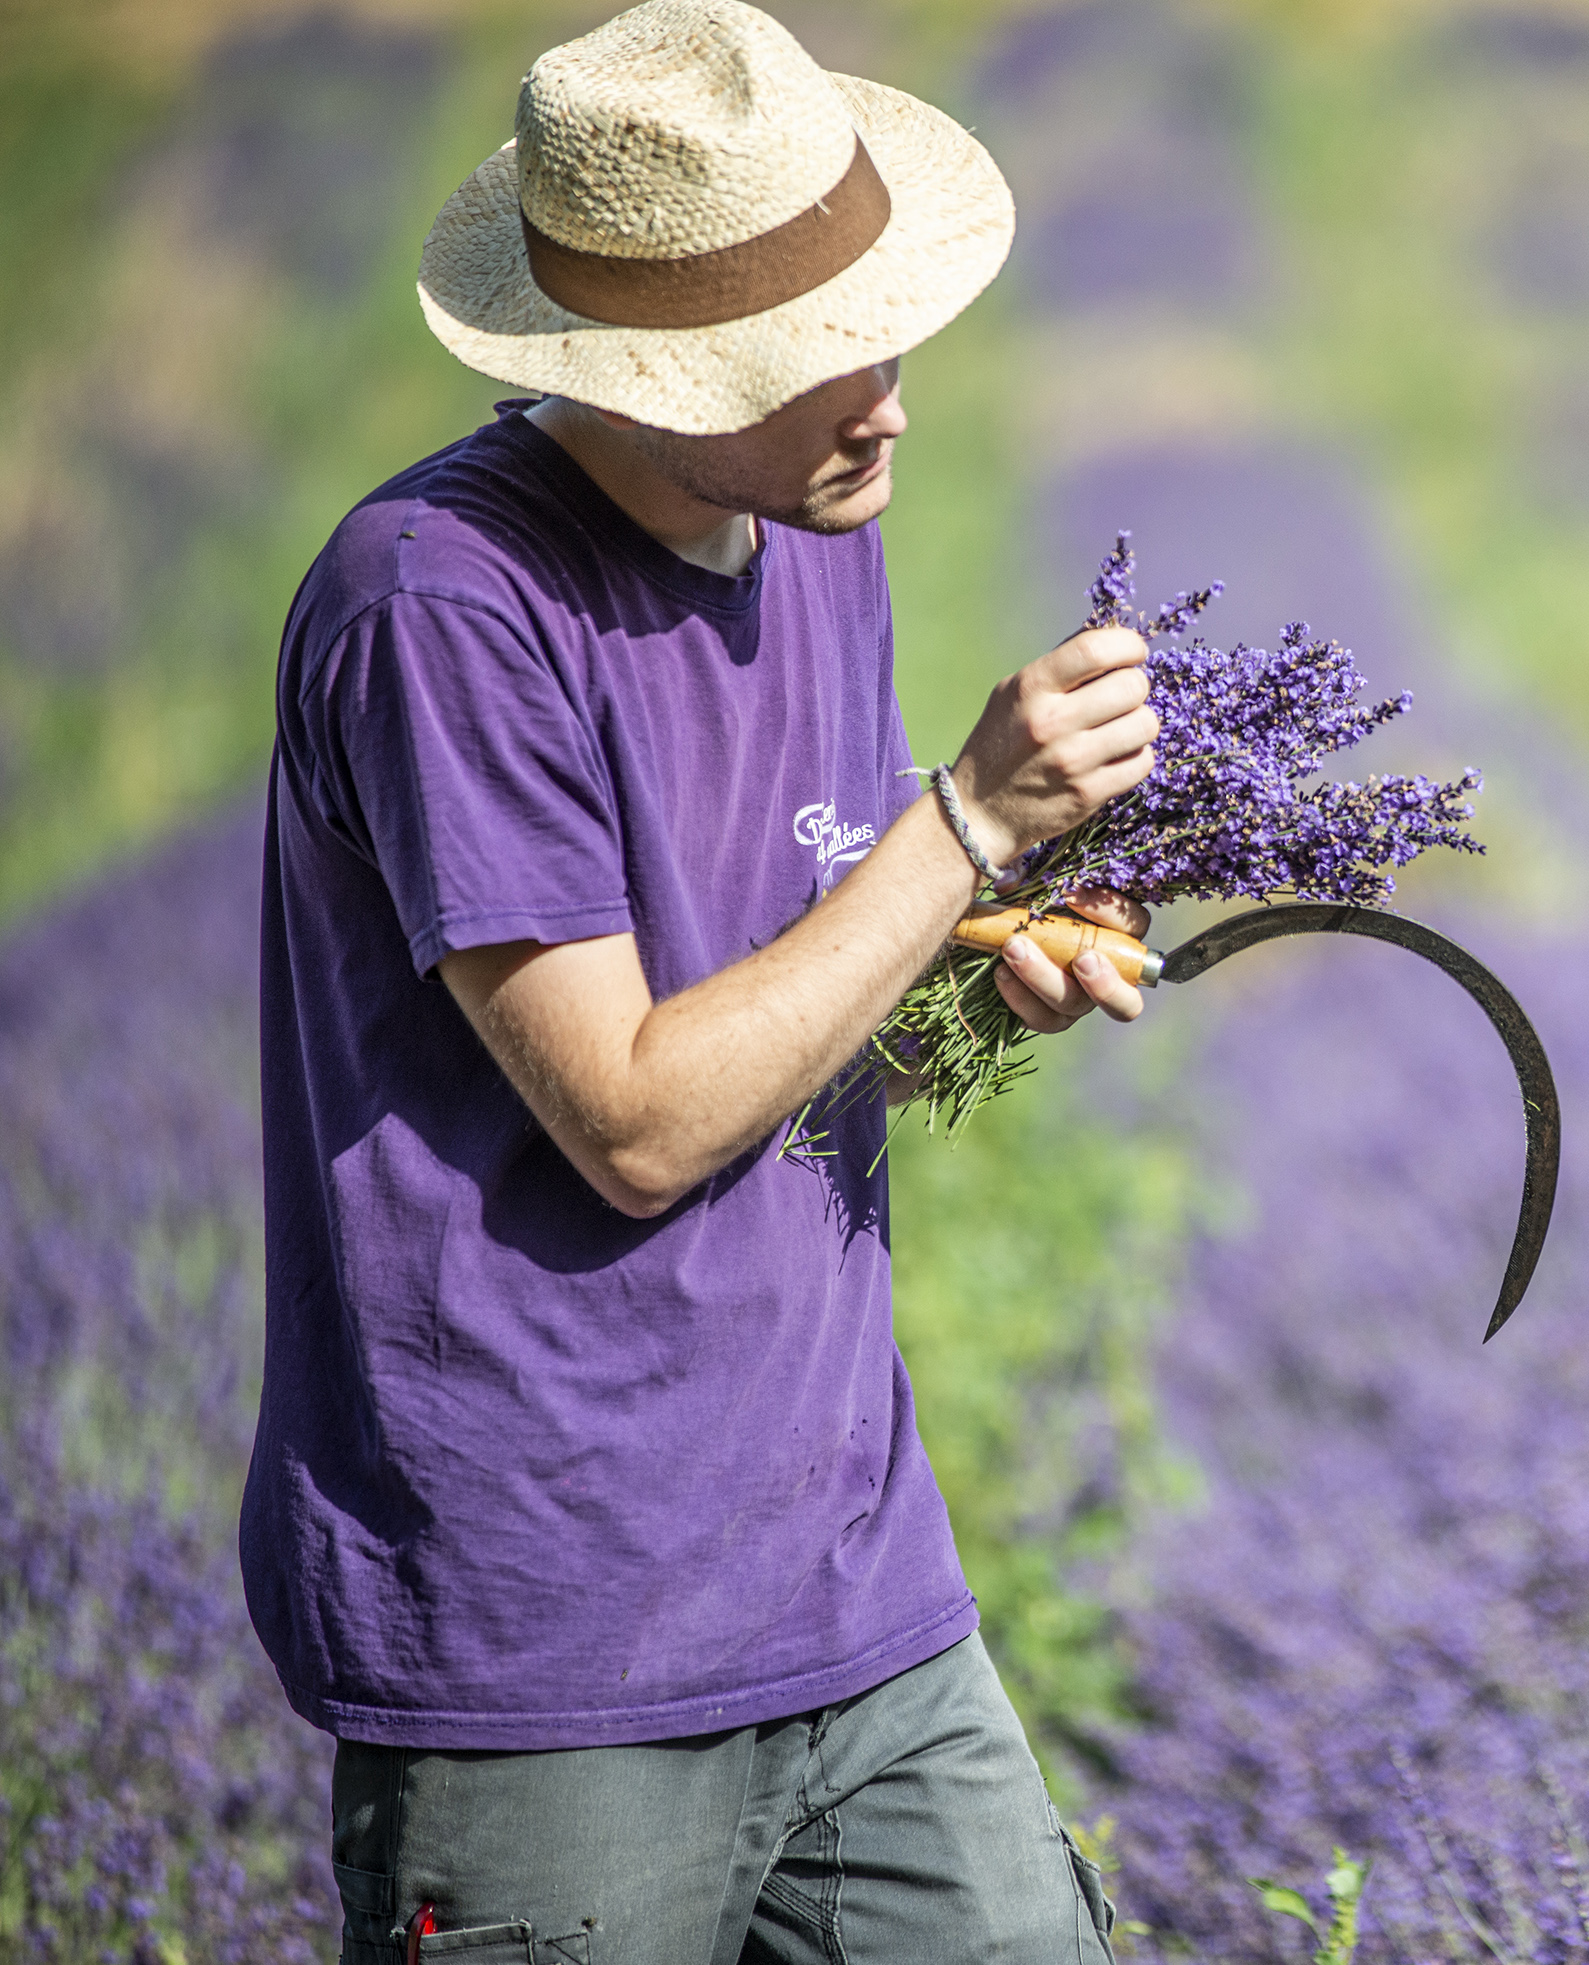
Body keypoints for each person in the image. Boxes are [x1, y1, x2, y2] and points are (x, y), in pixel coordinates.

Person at [249, 3, 1143, 1956]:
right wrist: (964, 824)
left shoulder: (810, 517)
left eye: (884, 334)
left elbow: (791, 1001)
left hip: (853, 1591)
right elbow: (638, 1122)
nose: (885, 403)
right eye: (819, 363)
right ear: (642, 381)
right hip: (553, 1643)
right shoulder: (444, 607)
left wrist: (970, 990)